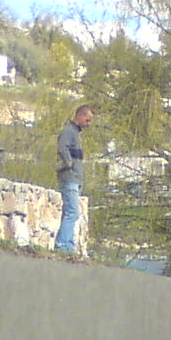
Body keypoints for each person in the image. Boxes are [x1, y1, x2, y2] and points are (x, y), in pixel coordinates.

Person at [54, 104, 94, 253]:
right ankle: (62, 245)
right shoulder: (68, 131)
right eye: (87, 120)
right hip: (69, 177)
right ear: (80, 116)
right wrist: (69, 164)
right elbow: (62, 148)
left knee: (70, 212)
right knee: (73, 212)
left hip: (75, 178)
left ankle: (68, 245)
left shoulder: (75, 133)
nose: (89, 124)